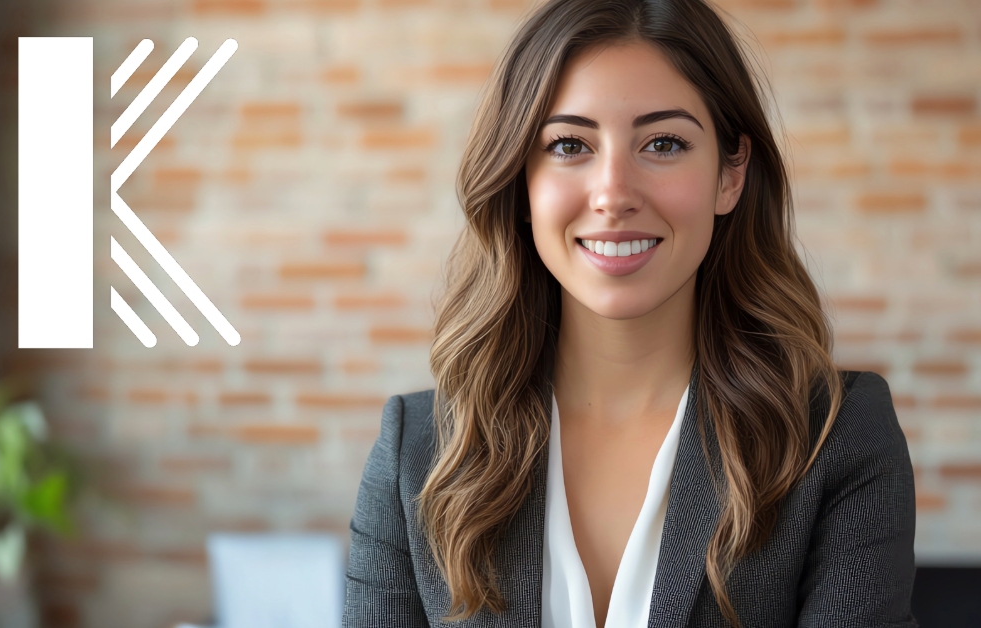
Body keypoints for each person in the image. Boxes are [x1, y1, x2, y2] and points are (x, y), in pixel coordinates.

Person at [342, 0, 916, 626]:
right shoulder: (418, 452)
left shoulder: (836, 438)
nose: (614, 194)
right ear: (521, 182)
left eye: (664, 143)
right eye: (569, 145)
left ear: (731, 173)